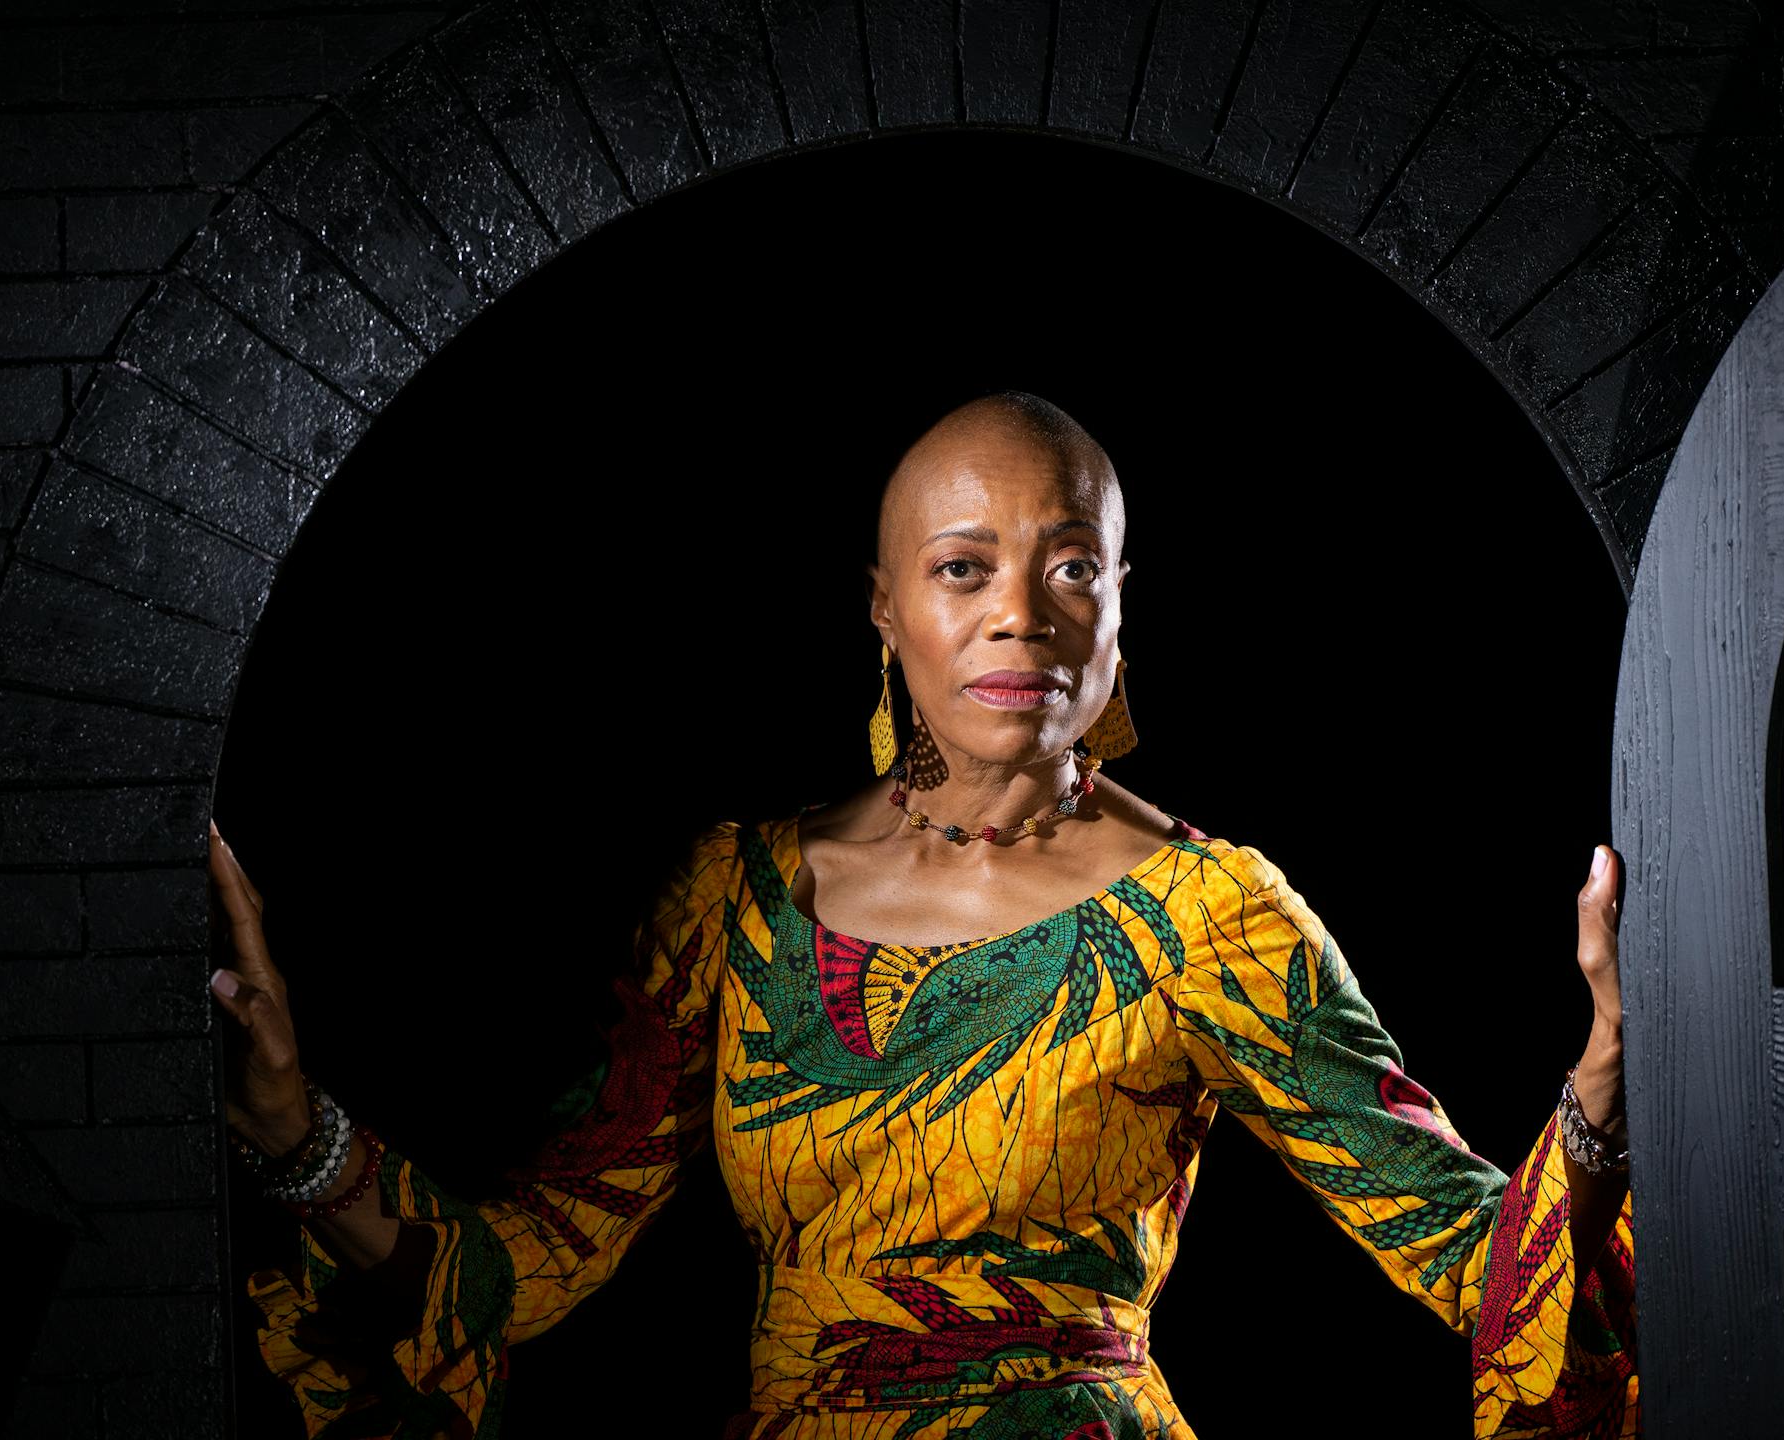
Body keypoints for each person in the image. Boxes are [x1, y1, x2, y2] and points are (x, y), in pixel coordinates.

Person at [207, 391, 1637, 1439]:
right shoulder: (734, 898)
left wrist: (1597, 1093)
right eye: (965, 569)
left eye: (1071, 565)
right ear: (886, 610)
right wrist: (289, 1130)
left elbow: (1470, 1257)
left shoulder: (1214, 913)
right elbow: (524, 1271)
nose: (1024, 613)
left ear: (1120, 605)